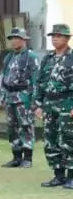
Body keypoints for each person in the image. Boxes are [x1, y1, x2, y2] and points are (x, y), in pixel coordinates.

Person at [36, 23, 73, 188]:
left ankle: (71, 176)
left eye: (59, 36)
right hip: (49, 104)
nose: (55, 39)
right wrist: (38, 104)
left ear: (67, 38)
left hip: (67, 104)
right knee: (50, 140)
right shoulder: (47, 59)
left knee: (68, 140)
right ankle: (58, 175)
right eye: (53, 36)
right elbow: (39, 82)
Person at [0, 27, 39, 169]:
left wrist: (35, 101)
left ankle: (27, 158)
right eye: (11, 38)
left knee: (26, 126)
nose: (13, 41)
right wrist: (2, 96)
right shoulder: (9, 57)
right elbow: (4, 77)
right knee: (11, 127)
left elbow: (36, 80)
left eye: (16, 38)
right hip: (10, 97)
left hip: (24, 97)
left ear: (23, 40)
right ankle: (16, 156)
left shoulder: (31, 57)